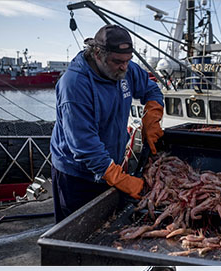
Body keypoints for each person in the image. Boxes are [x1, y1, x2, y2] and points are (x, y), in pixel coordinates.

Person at [49, 24, 165, 222]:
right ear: (97, 53)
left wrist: (151, 119)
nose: (124, 67)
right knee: (77, 232)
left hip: (111, 165)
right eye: (118, 61)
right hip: (76, 175)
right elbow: (84, 146)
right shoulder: (75, 85)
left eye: (128, 61)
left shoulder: (126, 70)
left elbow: (151, 89)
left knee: (110, 223)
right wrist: (121, 179)